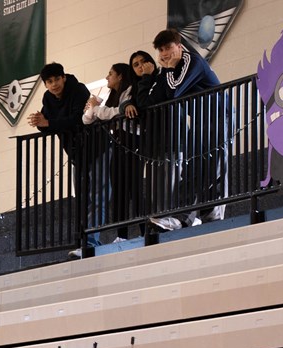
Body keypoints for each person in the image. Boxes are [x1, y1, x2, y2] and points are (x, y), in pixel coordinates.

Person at [153, 29, 228, 226]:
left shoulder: (191, 61)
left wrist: (167, 69)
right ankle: (183, 218)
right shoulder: (168, 70)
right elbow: (159, 96)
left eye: (168, 47)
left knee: (215, 164)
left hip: (219, 116)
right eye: (161, 50)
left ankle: (213, 215)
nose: (164, 54)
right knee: (192, 167)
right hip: (199, 119)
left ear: (179, 46)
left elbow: (175, 91)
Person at [27, 62, 101, 257]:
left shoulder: (78, 89)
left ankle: (92, 240)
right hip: (76, 153)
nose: (54, 85)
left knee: (98, 195)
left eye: (57, 79)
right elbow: (49, 123)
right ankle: (84, 241)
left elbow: (78, 119)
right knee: (83, 199)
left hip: (97, 148)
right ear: (45, 84)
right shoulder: (48, 98)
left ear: (64, 77)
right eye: (49, 82)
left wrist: (47, 122)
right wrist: (39, 122)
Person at [123, 51, 182, 232]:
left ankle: (169, 218)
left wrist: (148, 76)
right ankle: (158, 221)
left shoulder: (162, 76)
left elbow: (145, 102)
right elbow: (130, 102)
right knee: (155, 186)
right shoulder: (138, 85)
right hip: (152, 143)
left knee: (169, 181)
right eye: (136, 64)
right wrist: (126, 105)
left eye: (144, 62)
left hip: (170, 137)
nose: (141, 66)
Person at [82, 63, 140, 236]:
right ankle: (121, 236)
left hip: (134, 144)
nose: (107, 77)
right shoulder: (111, 96)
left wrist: (96, 109)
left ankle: (144, 231)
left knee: (135, 190)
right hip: (118, 147)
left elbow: (116, 113)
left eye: (110, 74)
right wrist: (93, 106)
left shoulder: (130, 91)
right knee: (119, 193)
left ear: (120, 76)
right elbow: (86, 120)